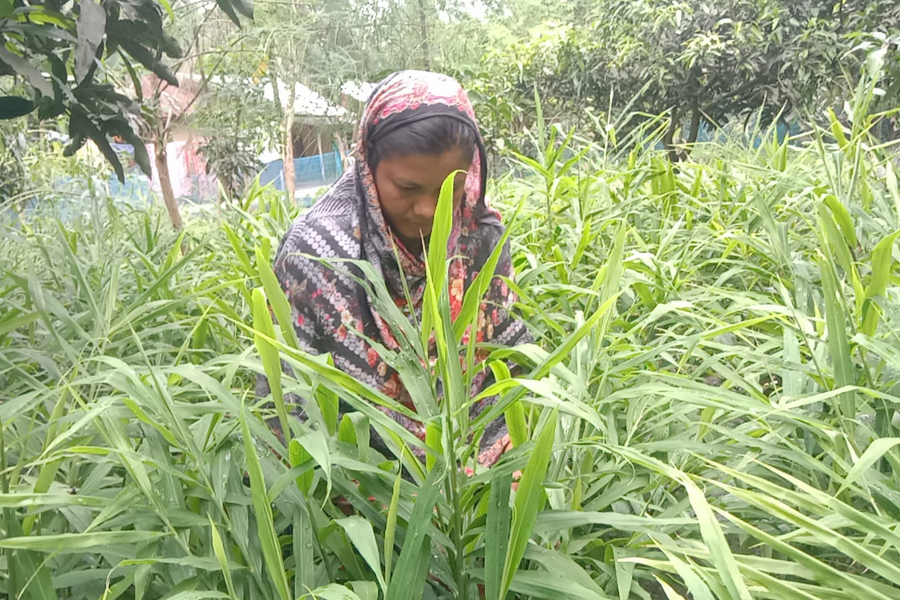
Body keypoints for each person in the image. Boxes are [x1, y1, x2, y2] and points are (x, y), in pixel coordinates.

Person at [261, 70, 529, 467]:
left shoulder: (480, 238)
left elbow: (509, 363)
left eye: (448, 190)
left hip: (472, 467)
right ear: (368, 167)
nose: (427, 210)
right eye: (406, 188)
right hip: (358, 476)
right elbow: (289, 403)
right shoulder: (316, 253)